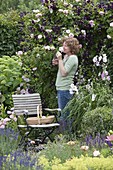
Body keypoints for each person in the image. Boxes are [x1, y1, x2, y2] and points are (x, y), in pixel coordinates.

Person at [52, 37, 81, 133]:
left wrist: (60, 60)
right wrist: (58, 62)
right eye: (63, 45)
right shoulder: (67, 57)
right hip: (61, 88)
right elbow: (62, 69)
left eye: (66, 46)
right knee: (63, 114)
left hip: (65, 89)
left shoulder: (73, 58)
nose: (64, 47)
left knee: (65, 115)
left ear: (72, 47)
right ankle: (65, 135)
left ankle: (66, 136)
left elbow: (64, 73)